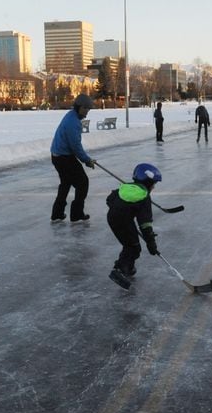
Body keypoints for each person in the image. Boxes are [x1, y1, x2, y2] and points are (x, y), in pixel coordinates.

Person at [106, 163, 162, 288]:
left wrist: (121, 210)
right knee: (133, 247)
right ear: (148, 182)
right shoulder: (144, 196)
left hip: (112, 218)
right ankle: (119, 270)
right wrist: (151, 243)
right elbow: (145, 223)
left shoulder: (124, 186)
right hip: (124, 221)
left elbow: (109, 199)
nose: (153, 187)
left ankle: (129, 268)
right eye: (153, 184)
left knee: (130, 244)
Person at [50, 94, 96, 223]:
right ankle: (76, 214)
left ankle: (57, 213)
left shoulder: (71, 115)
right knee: (82, 183)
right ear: (80, 107)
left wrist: (86, 159)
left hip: (58, 156)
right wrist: (86, 160)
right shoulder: (73, 122)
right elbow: (75, 145)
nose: (87, 112)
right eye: (86, 109)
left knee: (65, 183)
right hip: (64, 158)